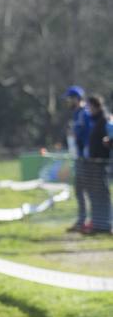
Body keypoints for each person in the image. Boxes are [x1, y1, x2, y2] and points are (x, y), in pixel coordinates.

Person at [65, 86, 93, 232]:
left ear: (76, 99)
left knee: (89, 191)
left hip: (85, 159)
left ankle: (92, 222)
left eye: (69, 99)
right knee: (79, 190)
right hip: (79, 158)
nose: (68, 102)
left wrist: (86, 155)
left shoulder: (84, 113)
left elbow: (88, 137)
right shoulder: (77, 114)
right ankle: (82, 220)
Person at [84, 96, 111, 234]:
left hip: (102, 163)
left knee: (102, 195)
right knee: (96, 194)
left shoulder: (104, 120)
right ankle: (99, 224)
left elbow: (108, 141)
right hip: (95, 163)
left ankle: (106, 224)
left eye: (89, 107)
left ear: (96, 106)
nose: (88, 110)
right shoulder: (95, 121)